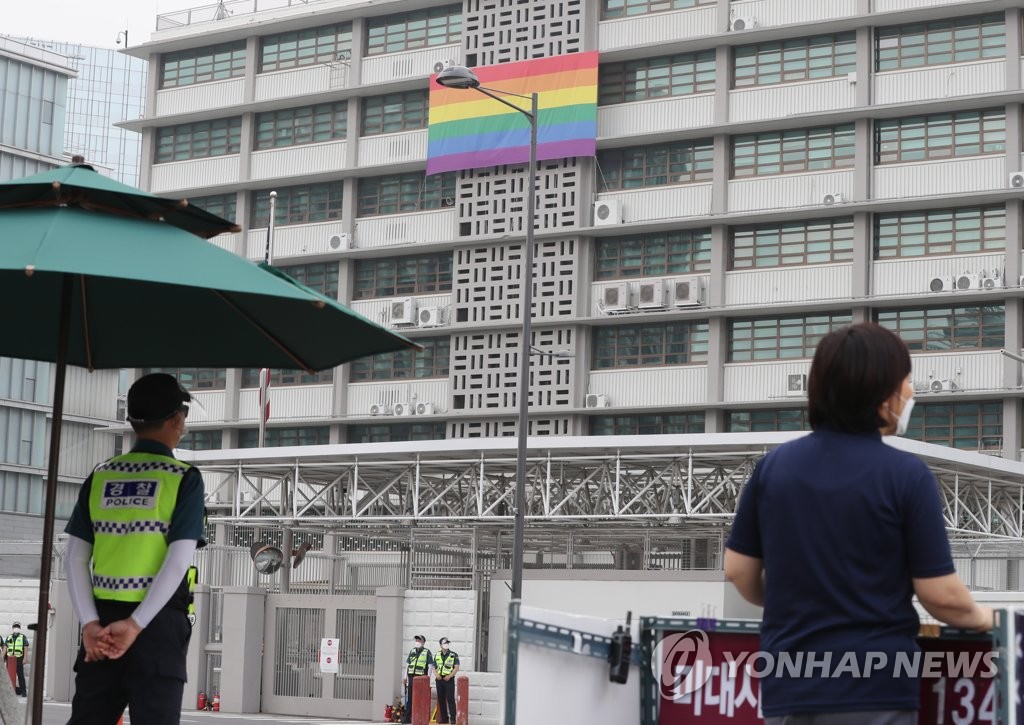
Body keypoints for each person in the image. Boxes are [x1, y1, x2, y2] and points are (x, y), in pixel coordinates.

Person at [724, 322, 993, 725]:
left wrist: (795, 598)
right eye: (905, 381)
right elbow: (942, 596)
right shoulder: (905, 475)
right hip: (874, 687)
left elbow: (738, 571)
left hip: (789, 684)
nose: (911, 393)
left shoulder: (774, 468)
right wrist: (990, 620)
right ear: (881, 393)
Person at [64, 373, 206, 725]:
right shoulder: (183, 477)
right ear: (176, 418)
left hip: (102, 629)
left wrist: (90, 624)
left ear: (132, 421)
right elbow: (178, 560)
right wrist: (136, 624)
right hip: (156, 626)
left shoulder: (100, 476)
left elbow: (75, 559)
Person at [401, 634, 432, 723]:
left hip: (421, 678)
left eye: (419, 640)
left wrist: (428, 679)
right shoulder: (412, 651)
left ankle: (419, 718)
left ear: (423, 642)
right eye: (416, 640)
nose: (417, 642)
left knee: (419, 698)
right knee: (410, 698)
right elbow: (407, 665)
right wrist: (405, 677)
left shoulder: (427, 652)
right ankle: (407, 719)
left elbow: (430, 666)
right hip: (411, 678)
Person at [433, 637, 460, 724]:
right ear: (440, 645)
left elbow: (456, 667)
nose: (446, 644)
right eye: (445, 643)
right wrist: (436, 675)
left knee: (450, 699)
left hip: (449, 680)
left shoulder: (453, 654)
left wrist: (450, 676)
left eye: (447, 643)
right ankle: (444, 718)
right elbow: (433, 666)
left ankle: (453, 719)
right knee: (441, 699)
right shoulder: (437, 655)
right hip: (439, 680)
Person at [4, 622, 28, 696]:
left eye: (17, 627)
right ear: (13, 628)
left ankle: (23, 692)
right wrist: (1, 658)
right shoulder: (9, 637)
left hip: (19, 659)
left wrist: (25, 658)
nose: (16, 628)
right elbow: (5, 648)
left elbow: (25, 648)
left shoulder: (22, 637)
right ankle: (9, 692)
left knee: (20, 675)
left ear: (19, 628)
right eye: (15, 627)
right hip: (10, 659)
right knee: (8, 676)